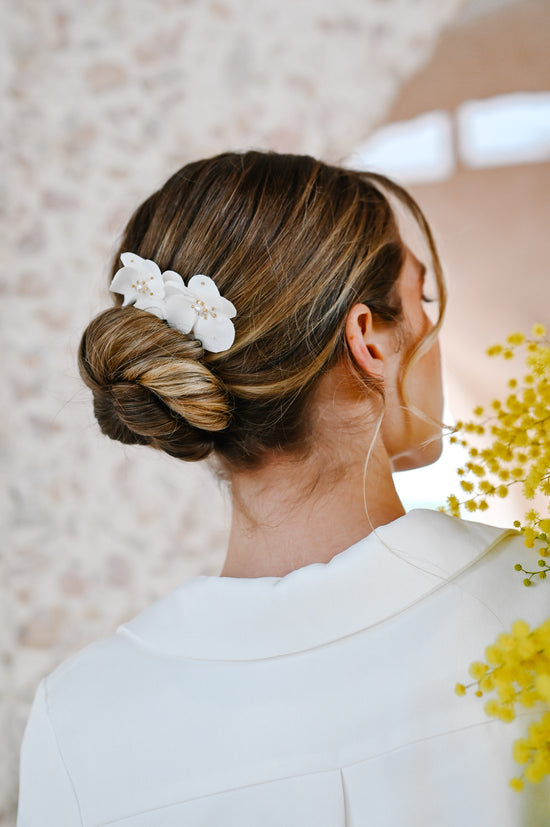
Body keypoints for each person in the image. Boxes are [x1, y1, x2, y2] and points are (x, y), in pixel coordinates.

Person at [17, 152, 549, 825]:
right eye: (424, 300)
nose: (433, 331)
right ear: (368, 340)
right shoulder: (536, 603)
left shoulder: (81, 721)